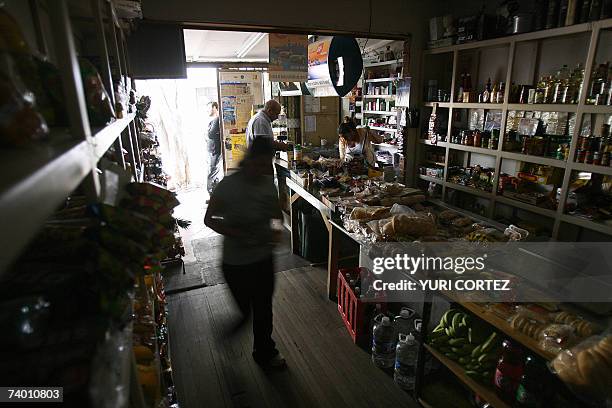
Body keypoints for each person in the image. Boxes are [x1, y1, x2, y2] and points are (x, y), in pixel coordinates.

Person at [204, 137, 286, 368]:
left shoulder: (267, 184)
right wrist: (238, 233)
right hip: (235, 263)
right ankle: (234, 329)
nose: (260, 170)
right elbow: (209, 219)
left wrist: (276, 233)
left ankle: (265, 352)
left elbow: (277, 217)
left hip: (262, 259)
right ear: (248, 158)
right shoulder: (228, 185)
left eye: (265, 165)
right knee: (245, 311)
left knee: (263, 309)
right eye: (257, 164)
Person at [206, 101, 222, 194]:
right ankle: (211, 192)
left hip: (214, 149)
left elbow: (210, 134)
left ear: (215, 107)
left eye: (209, 108)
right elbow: (211, 134)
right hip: (213, 149)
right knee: (213, 171)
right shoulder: (214, 120)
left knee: (213, 170)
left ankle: (212, 192)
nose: (208, 111)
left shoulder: (216, 119)